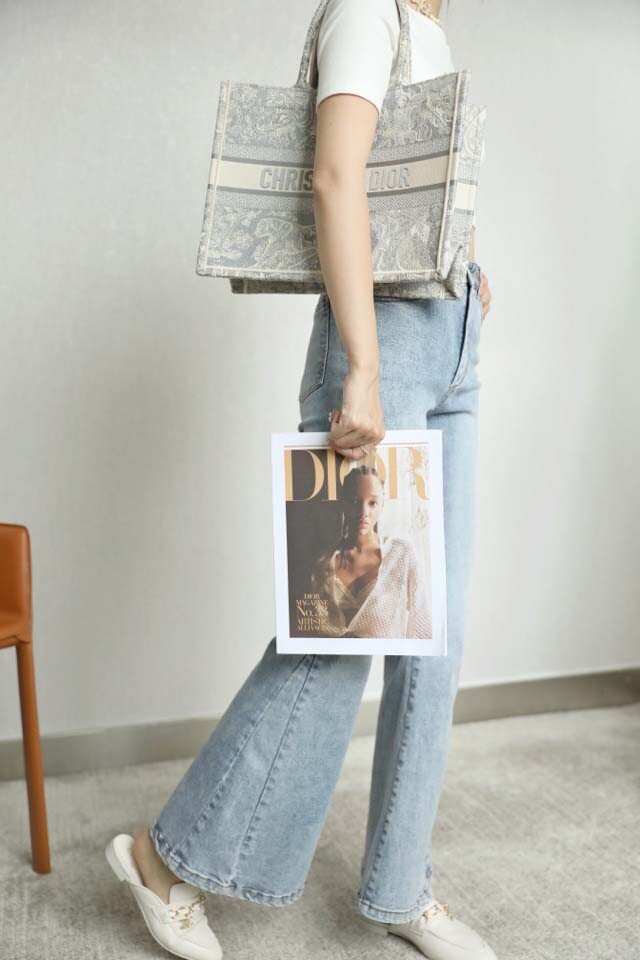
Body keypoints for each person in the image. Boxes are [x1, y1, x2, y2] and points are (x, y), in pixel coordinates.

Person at [105, 1, 497, 958]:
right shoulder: (368, 9)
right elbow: (335, 176)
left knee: (435, 636)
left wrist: (468, 272)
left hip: (447, 338)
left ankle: (401, 885)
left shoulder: (429, 24)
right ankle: (163, 858)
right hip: (384, 343)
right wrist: (363, 365)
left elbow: (415, 190)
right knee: (345, 625)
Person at [308, 463, 433, 640]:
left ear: (382, 506)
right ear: (343, 504)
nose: (363, 512)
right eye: (355, 502)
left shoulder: (401, 554)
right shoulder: (323, 565)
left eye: (372, 503)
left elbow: (422, 629)